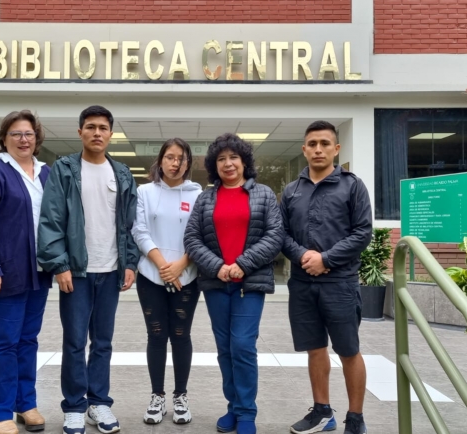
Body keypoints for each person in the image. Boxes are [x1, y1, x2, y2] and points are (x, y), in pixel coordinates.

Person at [37, 105, 139, 434]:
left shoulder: (122, 173)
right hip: (77, 273)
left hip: (111, 271)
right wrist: (60, 265)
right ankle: (75, 406)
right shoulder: (65, 170)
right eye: (91, 127)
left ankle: (99, 402)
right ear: (80, 131)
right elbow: (51, 221)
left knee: (104, 341)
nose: (97, 133)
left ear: (111, 134)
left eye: (103, 128)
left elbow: (129, 225)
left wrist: (130, 263)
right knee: (75, 341)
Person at [183, 133, 284, 434]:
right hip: (217, 284)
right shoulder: (206, 198)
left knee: (242, 346)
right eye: (222, 159)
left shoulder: (264, 194)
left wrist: (242, 264)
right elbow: (192, 238)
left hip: (249, 283)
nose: (228, 163)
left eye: (234, 158)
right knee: (225, 348)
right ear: (216, 165)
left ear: (244, 162)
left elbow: (275, 236)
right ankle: (233, 407)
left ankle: (247, 413)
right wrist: (218, 267)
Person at [281, 121, 372, 434]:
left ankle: (355, 418)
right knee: (314, 348)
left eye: (324, 143)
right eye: (312, 144)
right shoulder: (292, 191)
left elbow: (363, 232)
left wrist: (326, 259)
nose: (318, 149)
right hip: (302, 283)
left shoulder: (352, 185)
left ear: (336, 148)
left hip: (340, 283)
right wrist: (304, 257)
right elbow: (281, 234)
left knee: (348, 350)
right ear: (304, 149)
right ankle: (322, 412)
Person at [0, 110, 52, 434]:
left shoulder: (46, 173)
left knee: (28, 340)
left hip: (38, 273)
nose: (23, 139)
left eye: (28, 133)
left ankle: (25, 404)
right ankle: (0, 412)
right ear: (4, 138)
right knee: (4, 342)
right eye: (16, 133)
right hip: (4, 274)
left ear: (37, 138)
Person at [131, 138, 203, 425]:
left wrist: (181, 264)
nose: (175, 163)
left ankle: (181, 396)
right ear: (160, 160)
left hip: (187, 275)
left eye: (182, 158)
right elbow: (139, 230)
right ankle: (157, 396)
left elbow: (200, 234)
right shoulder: (145, 192)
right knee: (157, 336)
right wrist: (163, 265)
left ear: (189, 163)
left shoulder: (198, 194)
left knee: (181, 336)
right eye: (170, 157)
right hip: (151, 275)